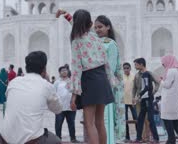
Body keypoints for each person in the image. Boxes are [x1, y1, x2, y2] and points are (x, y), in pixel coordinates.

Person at [58, 9, 114, 144]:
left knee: (89, 123)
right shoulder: (95, 36)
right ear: (90, 24)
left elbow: (76, 69)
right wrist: (66, 15)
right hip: (102, 79)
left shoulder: (76, 42)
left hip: (89, 80)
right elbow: (106, 62)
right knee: (100, 122)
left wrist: (74, 96)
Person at [0, 51, 62, 144]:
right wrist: (48, 83)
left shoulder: (14, 82)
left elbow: (9, 97)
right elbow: (58, 109)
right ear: (44, 69)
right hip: (31, 141)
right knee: (56, 141)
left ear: (26, 68)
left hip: (4, 139)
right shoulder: (46, 85)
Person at [94, 15, 126, 143]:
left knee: (107, 118)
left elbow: (111, 68)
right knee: (99, 120)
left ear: (108, 27)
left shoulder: (110, 44)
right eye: (95, 27)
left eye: (100, 27)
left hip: (108, 86)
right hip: (97, 85)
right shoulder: (95, 42)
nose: (97, 30)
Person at [133, 57, 160, 143]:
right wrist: (135, 97)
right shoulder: (137, 75)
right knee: (140, 119)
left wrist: (153, 92)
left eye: (136, 64)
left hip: (148, 98)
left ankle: (156, 139)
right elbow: (135, 87)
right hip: (142, 100)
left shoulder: (148, 74)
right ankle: (138, 138)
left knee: (150, 119)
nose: (135, 66)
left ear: (141, 64)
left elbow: (157, 82)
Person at [54, 65, 77, 142]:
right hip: (60, 107)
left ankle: (73, 138)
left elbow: (75, 92)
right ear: (59, 72)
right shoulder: (57, 82)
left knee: (71, 124)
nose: (64, 71)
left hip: (70, 107)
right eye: (62, 70)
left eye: (65, 70)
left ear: (68, 71)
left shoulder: (71, 81)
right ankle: (58, 139)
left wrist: (73, 102)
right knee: (58, 124)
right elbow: (53, 93)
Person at [123, 62, 138, 142]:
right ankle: (127, 137)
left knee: (136, 119)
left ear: (130, 68)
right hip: (123, 102)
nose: (126, 69)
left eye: (127, 68)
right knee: (125, 120)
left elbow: (136, 88)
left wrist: (135, 98)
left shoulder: (134, 76)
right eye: (124, 68)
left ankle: (138, 137)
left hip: (133, 101)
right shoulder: (121, 77)